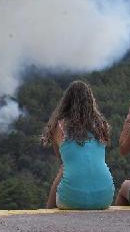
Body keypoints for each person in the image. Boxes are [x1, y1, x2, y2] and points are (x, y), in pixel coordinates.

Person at [42, 80, 115, 209]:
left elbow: (62, 161)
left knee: (63, 170)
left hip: (71, 199)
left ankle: (48, 213)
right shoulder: (101, 125)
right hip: (104, 197)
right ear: (90, 101)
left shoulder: (59, 126)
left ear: (66, 102)